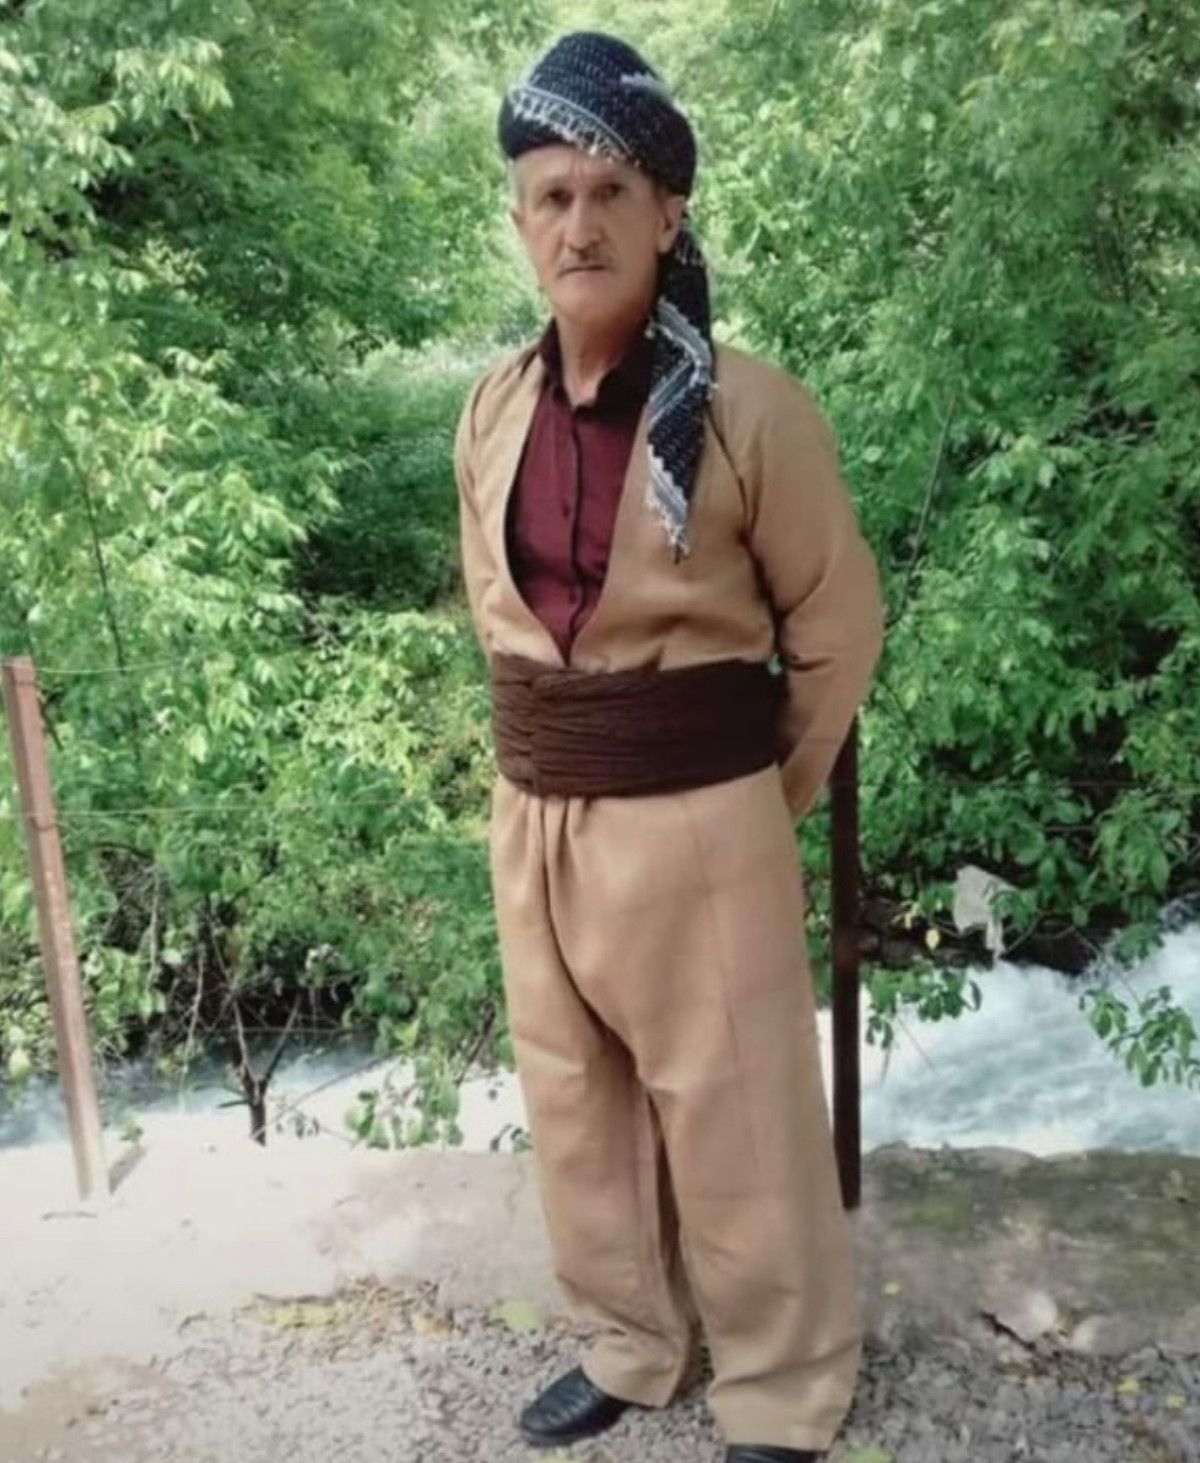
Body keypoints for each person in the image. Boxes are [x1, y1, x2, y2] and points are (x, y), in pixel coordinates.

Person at [453, 31, 885, 1463]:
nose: (578, 223)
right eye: (551, 195)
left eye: (610, 192)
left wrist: (756, 805)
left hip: (700, 810)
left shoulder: (750, 410)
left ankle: (785, 1382)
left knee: (740, 1112)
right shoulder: (491, 409)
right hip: (537, 810)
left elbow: (837, 630)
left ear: (666, 213)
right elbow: (496, 613)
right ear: (522, 217)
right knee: (575, 1100)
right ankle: (632, 1343)